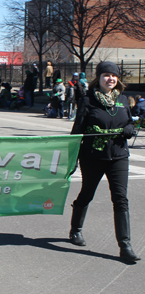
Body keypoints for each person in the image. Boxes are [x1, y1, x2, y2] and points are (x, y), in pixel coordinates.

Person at [70, 61, 140, 263]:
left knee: (121, 199)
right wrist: (72, 158)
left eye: (113, 75)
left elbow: (127, 121)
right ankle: (76, 230)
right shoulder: (88, 100)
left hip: (118, 155)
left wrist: (129, 128)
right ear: (98, 78)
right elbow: (77, 132)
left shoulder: (123, 100)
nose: (110, 78)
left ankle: (125, 245)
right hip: (93, 156)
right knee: (87, 193)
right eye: (106, 75)